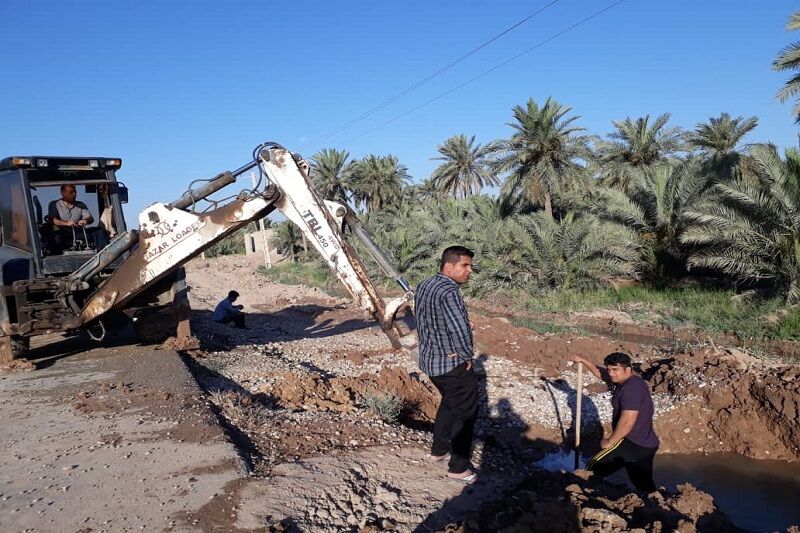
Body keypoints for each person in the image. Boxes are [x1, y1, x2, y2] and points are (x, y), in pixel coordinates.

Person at [415, 246, 478, 484]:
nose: (469, 271)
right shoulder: (450, 291)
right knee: (466, 412)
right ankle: (459, 468)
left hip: (430, 361)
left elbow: (426, 318)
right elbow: (459, 329)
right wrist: (466, 356)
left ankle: (438, 451)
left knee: (450, 404)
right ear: (448, 266)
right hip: (451, 364)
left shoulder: (426, 284)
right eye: (465, 265)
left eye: (470, 266)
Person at [568, 352, 659, 492]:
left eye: (615, 369)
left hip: (629, 442)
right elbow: (601, 374)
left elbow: (628, 421)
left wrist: (610, 441)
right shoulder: (628, 381)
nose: (611, 373)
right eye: (609, 369)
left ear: (628, 370)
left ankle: (579, 498)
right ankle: (657, 507)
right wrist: (584, 360)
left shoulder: (630, 389)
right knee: (644, 487)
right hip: (646, 444)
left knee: (588, 472)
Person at [47, 184, 106, 252]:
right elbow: (52, 220)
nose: (74, 194)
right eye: (71, 192)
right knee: (54, 237)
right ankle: (57, 257)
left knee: (98, 231)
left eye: (75, 192)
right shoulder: (54, 204)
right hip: (63, 234)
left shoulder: (81, 205)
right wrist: (66, 223)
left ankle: (104, 254)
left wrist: (85, 220)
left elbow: (90, 219)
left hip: (79, 232)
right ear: (62, 193)